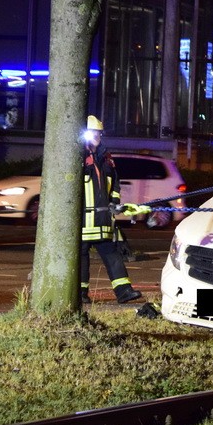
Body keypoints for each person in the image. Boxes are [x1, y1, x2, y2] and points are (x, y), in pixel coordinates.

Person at [79, 116, 142, 305]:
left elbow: (115, 183)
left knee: (112, 255)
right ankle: (80, 294)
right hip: (82, 221)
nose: (98, 135)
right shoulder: (78, 157)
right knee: (81, 259)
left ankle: (124, 291)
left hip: (103, 220)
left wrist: (115, 202)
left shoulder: (106, 157)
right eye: (94, 132)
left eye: (99, 132)